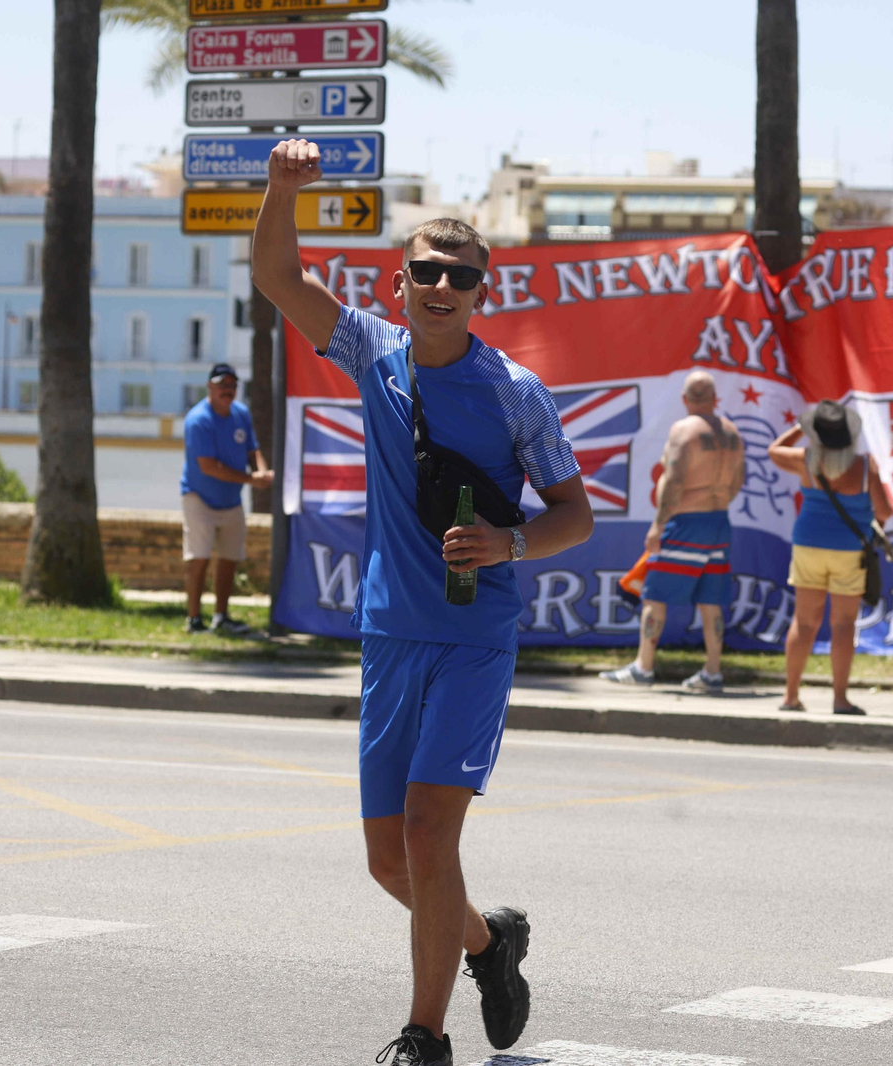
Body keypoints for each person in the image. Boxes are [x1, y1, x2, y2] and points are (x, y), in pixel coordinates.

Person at [253, 138, 594, 1066]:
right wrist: (282, 189)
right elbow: (276, 273)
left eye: (462, 276)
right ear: (398, 284)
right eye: (427, 272)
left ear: (484, 292)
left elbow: (576, 516)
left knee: (429, 834)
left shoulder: (518, 394)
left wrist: (509, 541)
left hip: (474, 640)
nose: (443, 286)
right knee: (388, 863)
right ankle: (491, 943)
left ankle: (423, 1033)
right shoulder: (374, 352)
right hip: (388, 635)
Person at [600, 371, 743, 694]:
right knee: (711, 600)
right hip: (719, 521)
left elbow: (675, 479)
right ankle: (712, 672)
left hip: (686, 522)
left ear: (685, 399)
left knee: (654, 595)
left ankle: (644, 667)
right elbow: (737, 480)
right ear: (715, 399)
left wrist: (659, 524)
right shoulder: (733, 433)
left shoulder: (684, 430)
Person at [767, 399, 893, 715]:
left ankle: (790, 696)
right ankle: (839, 699)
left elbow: (773, 450)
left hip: (808, 544)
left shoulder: (806, 459)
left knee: (804, 622)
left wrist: (800, 427)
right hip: (848, 549)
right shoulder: (865, 467)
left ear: (816, 435)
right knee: (843, 624)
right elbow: (884, 511)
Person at [180, 363, 272, 637]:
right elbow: (209, 466)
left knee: (230, 559)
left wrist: (262, 471)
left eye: (232, 385)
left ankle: (221, 616)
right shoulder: (198, 419)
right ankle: (194, 619)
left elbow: (252, 449)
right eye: (222, 385)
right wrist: (251, 480)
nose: (228, 390)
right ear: (210, 387)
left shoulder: (241, 413)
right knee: (199, 558)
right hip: (199, 497)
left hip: (230, 499)